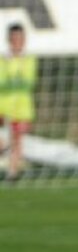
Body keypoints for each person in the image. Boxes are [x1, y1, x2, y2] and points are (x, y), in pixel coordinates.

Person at [2, 24, 37, 180]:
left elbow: (29, 82)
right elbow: (2, 82)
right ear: (9, 39)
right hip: (3, 106)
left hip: (22, 108)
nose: (18, 41)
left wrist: (12, 82)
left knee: (17, 139)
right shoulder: (3, 60)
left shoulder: (29, 59)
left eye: (21, 38)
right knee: (5, 141)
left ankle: (12, 173)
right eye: (15, 38)